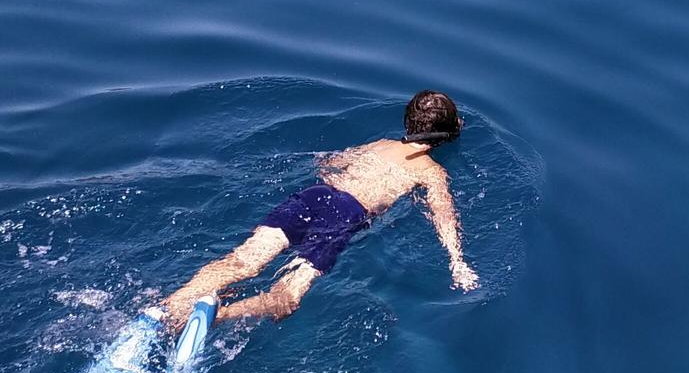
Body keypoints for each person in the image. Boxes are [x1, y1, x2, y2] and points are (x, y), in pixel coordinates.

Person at [159, 90, 479, 330]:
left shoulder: (379, 143)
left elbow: (329, 164)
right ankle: (216, 316)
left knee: (244, 261)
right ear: (447, 135)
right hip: (344, 215)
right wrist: (457, 261)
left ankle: (170, 307)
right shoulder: (430, 171)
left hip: (314, 196)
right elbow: (443, 215)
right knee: (287, 299)